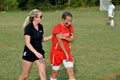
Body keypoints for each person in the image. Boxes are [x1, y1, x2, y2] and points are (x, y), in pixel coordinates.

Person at [18, 9, 52, 80]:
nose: (42, 18)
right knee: (25, 75)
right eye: (41, 16)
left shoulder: (40, 27)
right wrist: (36, 53)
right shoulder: (28, 28)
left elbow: (41, 39)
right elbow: (27, 43)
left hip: (40, 55)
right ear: (35, 17)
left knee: (43, 75)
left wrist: (52, 36)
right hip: (29, 54)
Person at [50, 11, 76, 80]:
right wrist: (65, 53)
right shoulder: (57, 28)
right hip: (57, 53)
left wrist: (65, 37)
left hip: (67, 51)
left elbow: (72, 40)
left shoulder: (70, 27)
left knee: (71, 72)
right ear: (63, 19)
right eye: (67, 21)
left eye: (71, 21)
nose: (69, 23)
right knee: (55, 73)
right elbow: (60, 42)